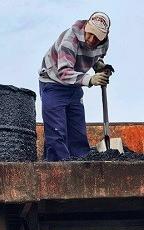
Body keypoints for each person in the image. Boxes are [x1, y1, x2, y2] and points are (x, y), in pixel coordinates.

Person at [39, 11, 112, 161]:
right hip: (53, 83)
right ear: (86, 26)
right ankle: (58, 171)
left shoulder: (104, 44)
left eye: (97, 37)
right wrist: (91, 80)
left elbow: (94, 57)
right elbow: (64, 73)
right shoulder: (70, 40)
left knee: (77, 133)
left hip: (74, 86)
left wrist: (99, 67)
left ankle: (80, 169)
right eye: (89, 34)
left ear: (104, 36)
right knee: (57, 132)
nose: (91, 39)